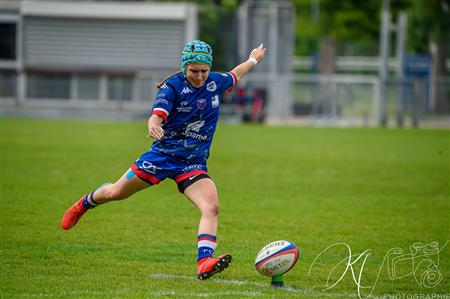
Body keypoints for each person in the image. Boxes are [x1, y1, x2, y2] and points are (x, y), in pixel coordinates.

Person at [61, 40, 266, 280]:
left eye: (203, 71)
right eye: (194, 71)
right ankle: (84, 204)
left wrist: (253, 59)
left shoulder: (215, 83)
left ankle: (204, 262)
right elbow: (156, 116)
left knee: (211, 206)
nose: (199, 76)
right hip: (161, 158)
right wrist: (154, 126)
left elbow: (235, 74)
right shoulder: (172, 87)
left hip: (192, 164)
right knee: (116, 193)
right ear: (184, 67)